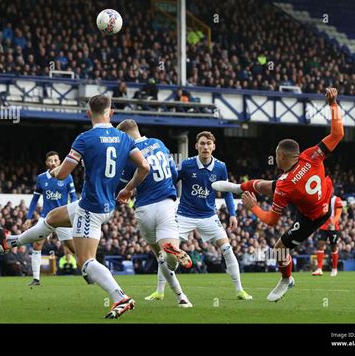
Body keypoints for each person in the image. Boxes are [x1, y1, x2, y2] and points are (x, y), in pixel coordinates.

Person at [0, 95, 150, 319]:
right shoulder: (124, 138)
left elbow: (62, 174)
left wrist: (55, 171)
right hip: (104, 204)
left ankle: (120, 298)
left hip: (91, 208)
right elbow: (144, 166)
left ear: (88, 114)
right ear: (111, 113)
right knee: (51, 219)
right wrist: (128, 189)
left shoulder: (84, 139)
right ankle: (10, 242)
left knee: (85, 262)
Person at [213, 88, 344, 302]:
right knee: (267, 185)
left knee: (280, 249)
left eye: (275, 155)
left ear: (281, 156)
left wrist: (253, 208)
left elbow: (272, 221)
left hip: (313, 217)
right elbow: (338, 133)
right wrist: (333, 104)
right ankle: (238, 188)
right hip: (322, 201)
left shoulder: (285, 185)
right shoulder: (311, 155)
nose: (274, 158)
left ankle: (286, 279)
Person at [147, 131, 252, 301]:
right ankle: (159, 291)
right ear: (196, 146)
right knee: (167, 251)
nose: (205, 147)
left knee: (227, 249)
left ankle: (240, 290)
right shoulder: (187, 164)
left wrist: (232, 213)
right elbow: (170, 181)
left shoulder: (220, 167)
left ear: (213, 147)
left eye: (208, 144)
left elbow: (227, 191)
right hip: (184, 214)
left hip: (209, 215)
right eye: (202, 143)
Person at [116, 119, 193, 308]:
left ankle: (181, 296)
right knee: (170, 259)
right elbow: (174, 174)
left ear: (125, 136)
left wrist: (125, 189)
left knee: (159, 256)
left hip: (144, 208)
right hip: (166, 204)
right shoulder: (159, 143)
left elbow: (123, 183)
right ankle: (172, 254)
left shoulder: (129, 154)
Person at [23, 151, 78, 286]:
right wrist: (29, 217)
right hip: (46, 217)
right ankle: (36, 278)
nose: (53, 163)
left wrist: (74, 213)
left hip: (62, 216)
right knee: (37, 244)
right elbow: (35, 198)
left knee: (72, 247)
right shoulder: (41, 178)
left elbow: (74, 197)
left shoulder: (67, 176)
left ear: (59, 162)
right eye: (50, 161)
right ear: (47, 163)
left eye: (55, 160)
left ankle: (88, 272)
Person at [312, 195, 343, 277]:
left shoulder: (337, 199)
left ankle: (334, 268)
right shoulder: (322, 198)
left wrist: (332, 222)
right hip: (323, 226)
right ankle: (319, 269)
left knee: (333, 247)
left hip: (333, 227)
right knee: (320, 245)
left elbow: (338, 215)